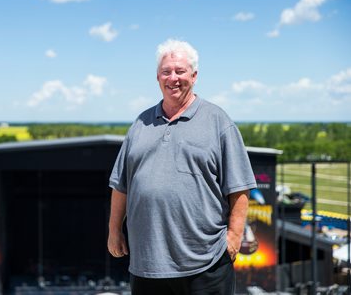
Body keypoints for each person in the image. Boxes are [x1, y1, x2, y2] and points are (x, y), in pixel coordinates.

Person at [107, 39, 256, 295]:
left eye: (180, 71)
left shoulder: (218, 122)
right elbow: (122, 185)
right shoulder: (140, 125)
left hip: (205, 265)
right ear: (157, 77)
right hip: (147, 265)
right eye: (166, 71)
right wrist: (113, 230)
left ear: (194, 76)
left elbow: (240, 186)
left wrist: (233, 238)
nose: (173, 78)